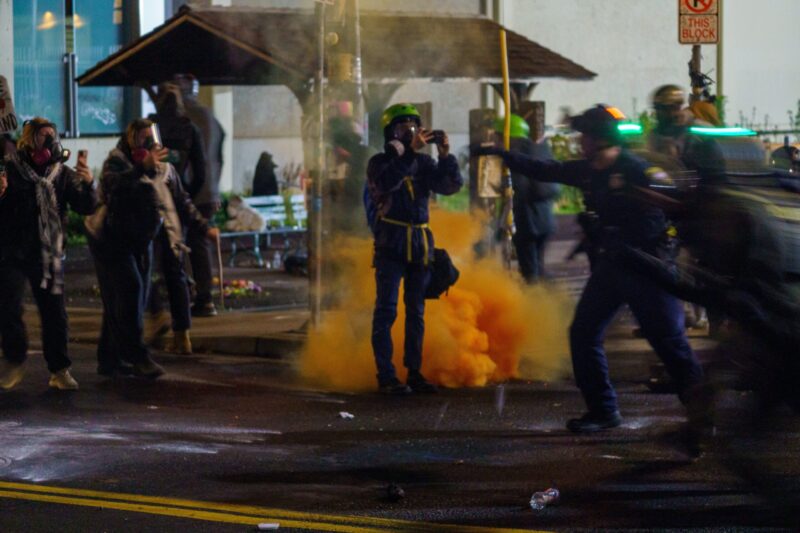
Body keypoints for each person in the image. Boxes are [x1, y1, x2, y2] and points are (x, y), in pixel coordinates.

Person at [477, 105, 705, 432]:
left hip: (648, 269)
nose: (579, 141)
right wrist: (504, 155)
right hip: (612, 267)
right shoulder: (590, 169)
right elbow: (547, 169)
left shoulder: (638, 169)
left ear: (599, 138)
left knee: (670, 343)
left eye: (584, 135)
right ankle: (602, 410)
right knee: (583, 334)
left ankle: (701, 415)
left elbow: (677, 205)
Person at [365, 103, 463, 395]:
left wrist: (445, 156)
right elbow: (385, 183)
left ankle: (415, 372)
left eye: (413, 126)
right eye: (402, 127)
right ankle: (386, 375)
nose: (409, 132)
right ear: (389, 133)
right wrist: (408, 152)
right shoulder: (380, 162)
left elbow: (451, 185)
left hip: (420, 245)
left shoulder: (423, 163)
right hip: (390, 244)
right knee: (386, 310)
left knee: (416, 312)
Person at [0, 118, 96, 390]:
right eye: (44, 137)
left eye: (53, 136)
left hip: (48, 252)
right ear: (29, 141)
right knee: (9, 306)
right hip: (13, 251)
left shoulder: (61, 174)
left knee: (54, 313)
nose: (51, 142)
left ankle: (60, 369)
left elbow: (86, 206)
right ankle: (14, 360)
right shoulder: (10, 170)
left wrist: (89, 184)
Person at [175, 74, 225, 317]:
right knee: (198, 242)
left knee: (194, 242)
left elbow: (192, 158)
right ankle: (202, 295)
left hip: (194, 190)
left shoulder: (188, 118)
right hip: (206, 189)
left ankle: (201, 296)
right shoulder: (208, 116)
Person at [496, 114, 560, 283]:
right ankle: (543, 300)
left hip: (527, 223)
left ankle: (535, 304)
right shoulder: (537, 150)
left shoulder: (516, 157)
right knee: (538, 266)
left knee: (530, 272)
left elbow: (517, 190)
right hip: (545, 219)